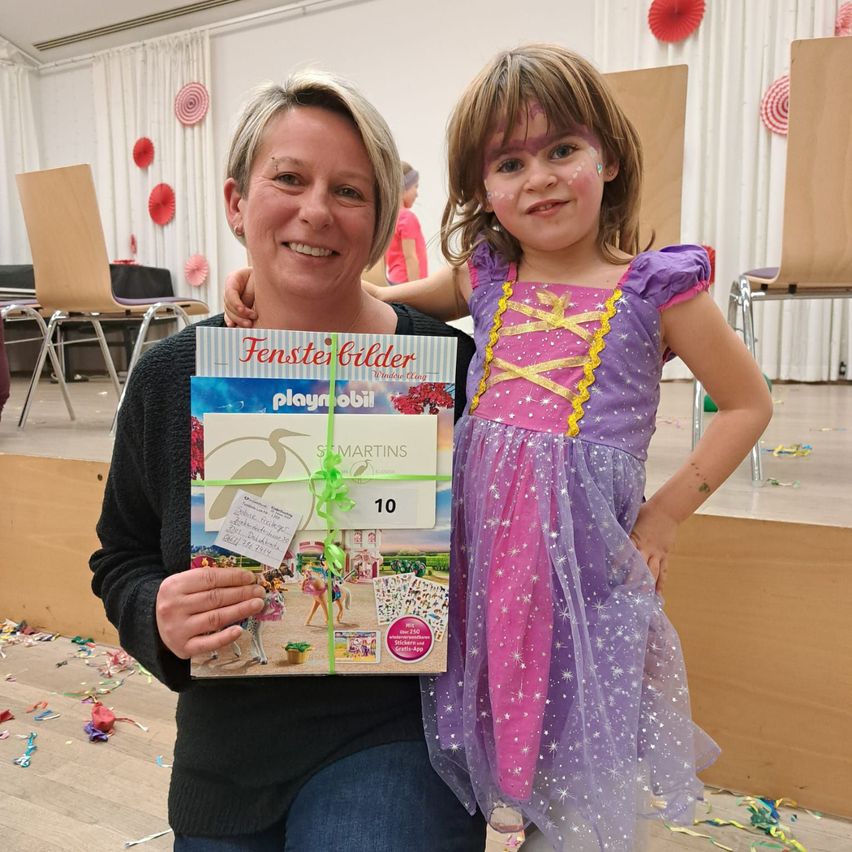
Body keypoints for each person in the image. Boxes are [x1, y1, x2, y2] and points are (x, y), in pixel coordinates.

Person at [225, 44, 773, 851]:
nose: (540, 178)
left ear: (609, 157)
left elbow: (748, 405)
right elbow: (366, 296)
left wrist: (662, 519)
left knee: (568, 731)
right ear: (483, 188)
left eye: (562, 150)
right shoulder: (485, 276)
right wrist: (258, 283)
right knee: (484, 708)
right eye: (510, 163)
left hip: (580, 564)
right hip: (479, 549)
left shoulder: (658, 288)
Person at [90, 71, 484, 851]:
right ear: (238, 202)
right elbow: (121, 556)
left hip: (396, 730)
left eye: (350, 190)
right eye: (290, 179)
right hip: (228, 750)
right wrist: (157, 616)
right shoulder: (175, 376)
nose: (316, 211)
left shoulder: (447, 366)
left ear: (378, 222)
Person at [385, 161, 428, 283]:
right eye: (415, 187)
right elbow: (410, 257)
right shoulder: (407, 218)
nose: (417, 194)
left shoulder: (389, 219)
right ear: (404, 187)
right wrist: (416, 292)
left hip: (394, 282)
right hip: (407, 284)